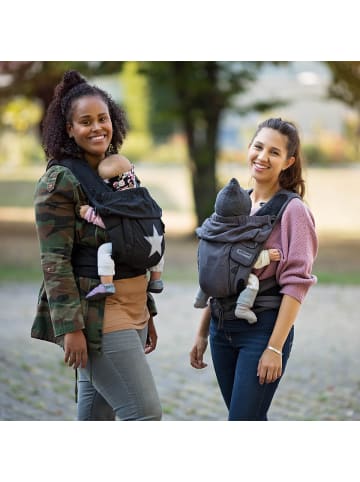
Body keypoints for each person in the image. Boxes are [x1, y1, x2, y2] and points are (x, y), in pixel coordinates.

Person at [31, 70, 162, 421]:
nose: (96, 128)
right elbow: (54, 260)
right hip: (98, 315)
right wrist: (71, 328)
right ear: (69, 129)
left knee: (95, 420)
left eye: (102, 118)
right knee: (145, 414)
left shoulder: (119, 175)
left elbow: (135, 244)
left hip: (133, 307)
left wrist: (147, 308)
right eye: (85, 121)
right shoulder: (60, 180)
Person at [190, 117, 318, 421]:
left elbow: (296, 285)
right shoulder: (234, 205)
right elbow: (219, 276)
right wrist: (202, 333)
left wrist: (274, 348)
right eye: (258, 147)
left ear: (288, 162)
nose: (262, 157)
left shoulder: (294, 211)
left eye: (274, 152)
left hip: (261, 331)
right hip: (222, 330)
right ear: (248, 148)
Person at [193, 177, 281, 323]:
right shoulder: (240, 233)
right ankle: (243, 307)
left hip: (208, 278)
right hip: (228, 280)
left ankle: (200, 298)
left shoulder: (209, 228)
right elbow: (249, 259)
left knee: (208, 274)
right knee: (252, 281)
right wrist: (267, 256)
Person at [79, 153, 164, 300]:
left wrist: (89, 214)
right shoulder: (144, 197)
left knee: (104, 251)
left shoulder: (118, 202)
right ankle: (156, 280)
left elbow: (111, 223)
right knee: (159, 254)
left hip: (130, 248)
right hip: (155, 247)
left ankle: (106, 284)